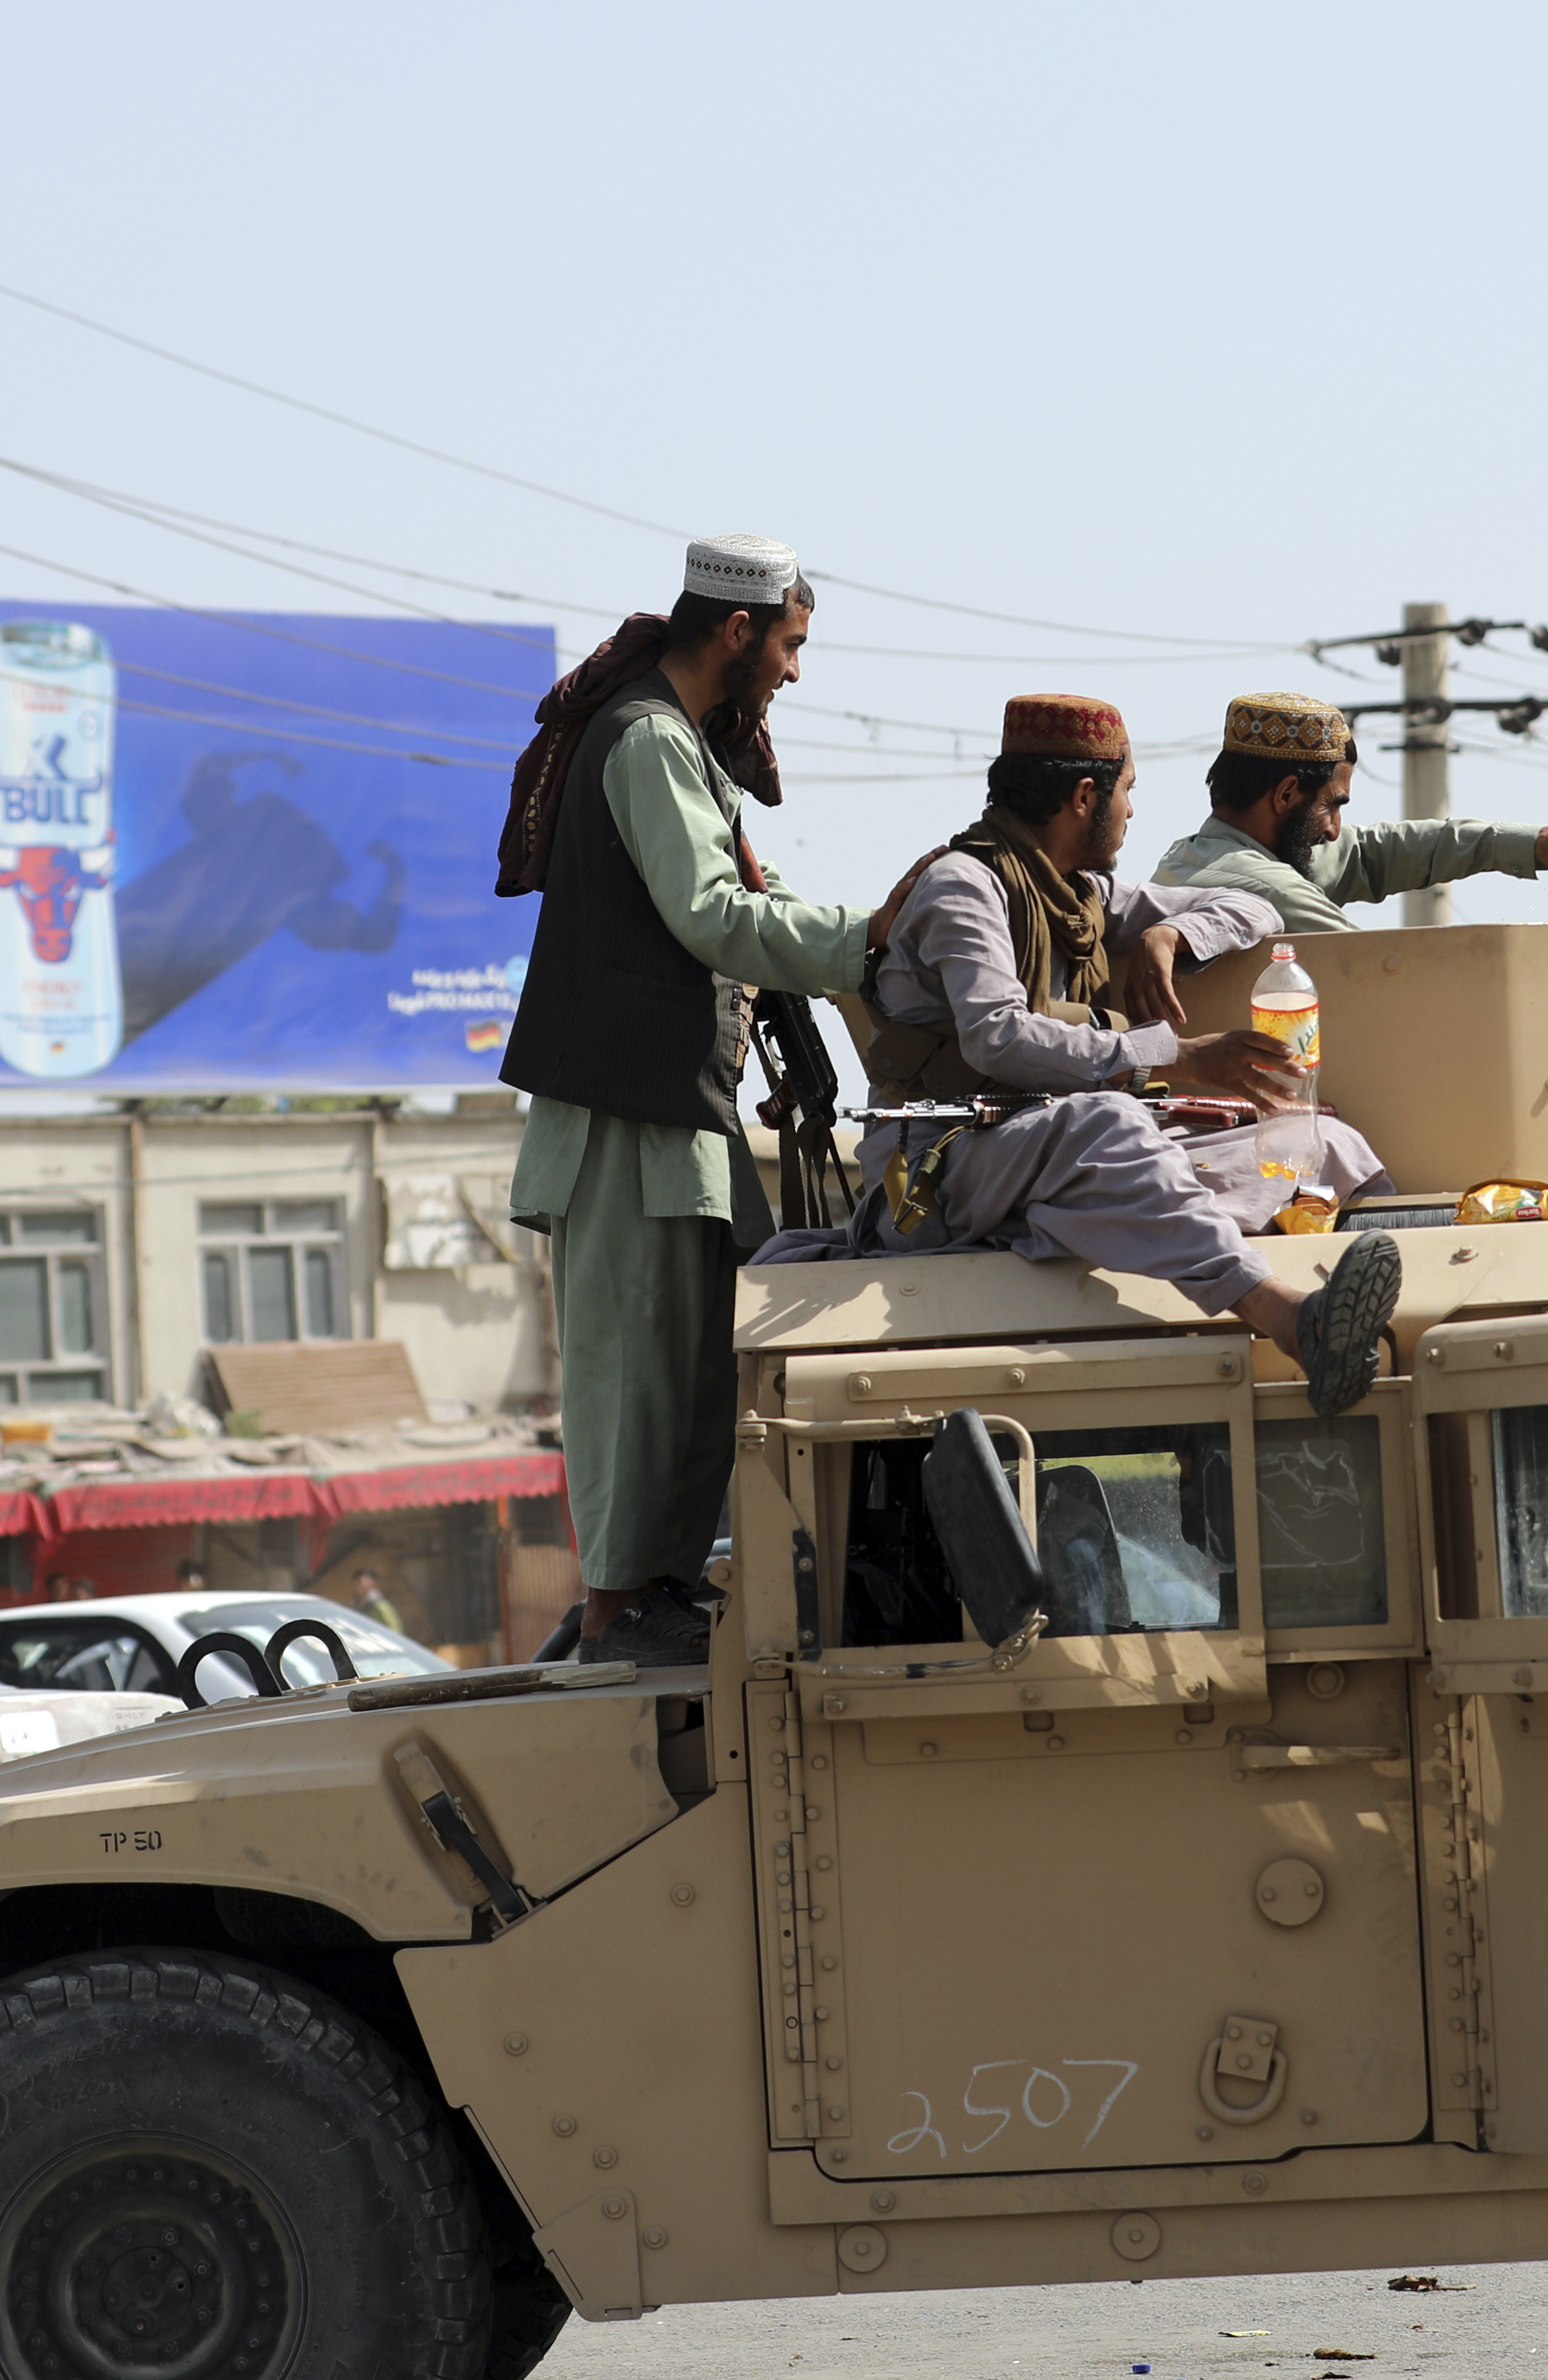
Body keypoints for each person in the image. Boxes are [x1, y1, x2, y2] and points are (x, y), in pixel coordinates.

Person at [498, 534, 921, 1667]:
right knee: (636, 1375)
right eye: (789, 645)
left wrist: (855, 951)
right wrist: (866, 943)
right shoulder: (645, 740)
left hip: (675, 1117)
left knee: (697, 1368)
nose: (793, 671)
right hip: (619, 1122)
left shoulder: (683, 747)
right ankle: (617, 1612)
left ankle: (655, 1592)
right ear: (738, 631)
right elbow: (712, 916)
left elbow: (747, 894)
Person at [754, 693, 1400, 1411]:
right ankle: (1290, 1319)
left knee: (1321, 1142)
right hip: (941, 1160)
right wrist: (1176, 1056)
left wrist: (1170, 937)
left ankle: (1380, 1339)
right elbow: (999, 1036)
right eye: (1126, 794)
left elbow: (1257, 908)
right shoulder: (962, 888)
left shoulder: (1079, 894)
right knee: (1113, 1127)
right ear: (1084, 796)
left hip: (1040, 1147)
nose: (1131, 813)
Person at [1151, 692, 1548, 933]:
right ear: (1286, 794)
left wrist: (1530, 843)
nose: (1333, 831)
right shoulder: (1270, 889)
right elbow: (1386, 973)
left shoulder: (1199, 855)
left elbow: (1374, 852)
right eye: (1331, 805)